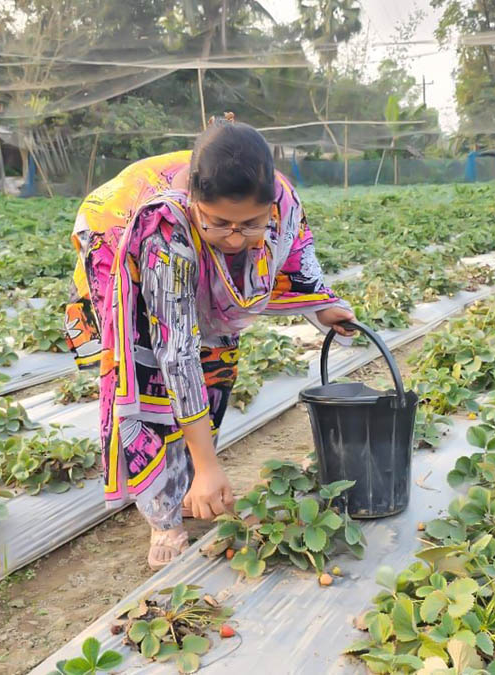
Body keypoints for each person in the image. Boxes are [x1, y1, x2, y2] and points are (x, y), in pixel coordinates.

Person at [63, 114, 355, 569]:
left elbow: (297, 251)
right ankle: (162, 514)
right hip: (117, 236)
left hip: (194, 241)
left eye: (251, 224)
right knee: (149, 376)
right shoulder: (164, 227)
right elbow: (175, 350)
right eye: (220, 223)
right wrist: (208, 464)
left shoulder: (281, 202)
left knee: (216, 358)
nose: (236, 238)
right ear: (196, 202)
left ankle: (191, 482)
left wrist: (322, 307)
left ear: (270, 206)